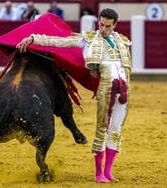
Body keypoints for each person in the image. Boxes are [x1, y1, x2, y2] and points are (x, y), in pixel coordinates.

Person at [16, 8, 131, 184]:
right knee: (103, 130)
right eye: (101, 24)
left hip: (123, 91)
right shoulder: (88, 39)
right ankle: (98, 173)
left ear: (115, 25)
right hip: (106, 90)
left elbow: (125, 68)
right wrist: (33, 38)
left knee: (116, 131)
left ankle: (109, 172)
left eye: (107, 26)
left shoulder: (122, 41)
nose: (103, 29)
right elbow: (59, 42)